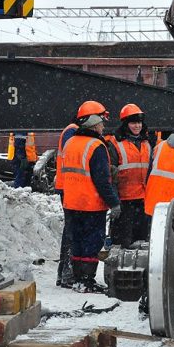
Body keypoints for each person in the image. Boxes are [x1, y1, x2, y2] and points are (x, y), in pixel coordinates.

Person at [61, 100, 120, 293]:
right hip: (91, 204)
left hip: (71, 203)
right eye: (102, 121)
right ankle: (87, 280)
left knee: (77, 241)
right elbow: (102, 181)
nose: (103, 126)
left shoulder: (71, 142)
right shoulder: (96, 146)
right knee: (91, 242)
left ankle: (78, 279)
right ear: (94, 122)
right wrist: (114, 203)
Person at [106, 103, 151, 247]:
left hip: (144, 200)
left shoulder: (147, 142)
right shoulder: (115, 144)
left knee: (142, 241)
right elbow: (110, 175)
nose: (137, 126)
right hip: (125, 202)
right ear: (126, 124)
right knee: (123, 241)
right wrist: (114, 201)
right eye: (133, 123)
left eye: (139, 122)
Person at [54, 120, 79, 288]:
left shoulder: (70, 131)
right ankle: (67, 272)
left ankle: (65, 272)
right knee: (72, 230)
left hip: (68, 186)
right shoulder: (72, 132)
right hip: (70, 187)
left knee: (72, 229)